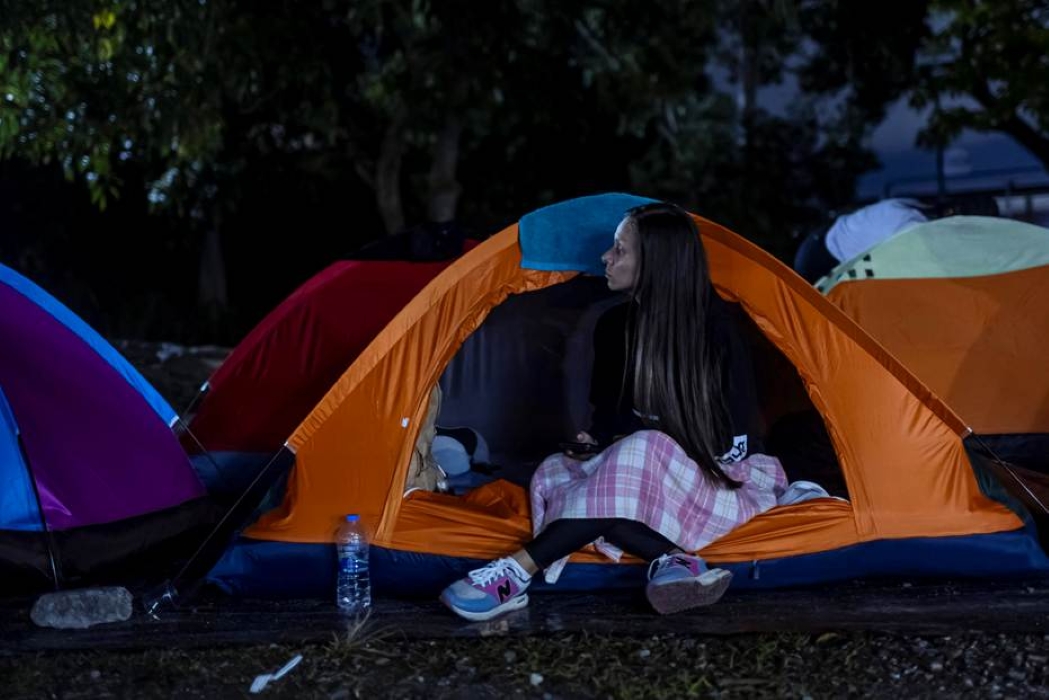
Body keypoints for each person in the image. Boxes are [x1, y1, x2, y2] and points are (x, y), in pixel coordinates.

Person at [439, 202, 787, 622]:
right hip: (637, 474)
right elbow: (609, 417)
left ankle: (515, 571)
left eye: (620, 250)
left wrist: (647, 446)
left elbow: (735, 440)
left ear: (655, 261)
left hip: (718, 479)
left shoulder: (714, 330)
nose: (606, 258)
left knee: (641, 449)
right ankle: (672, 560)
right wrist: (597, 442)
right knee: (555, 469)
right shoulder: (614, 327)